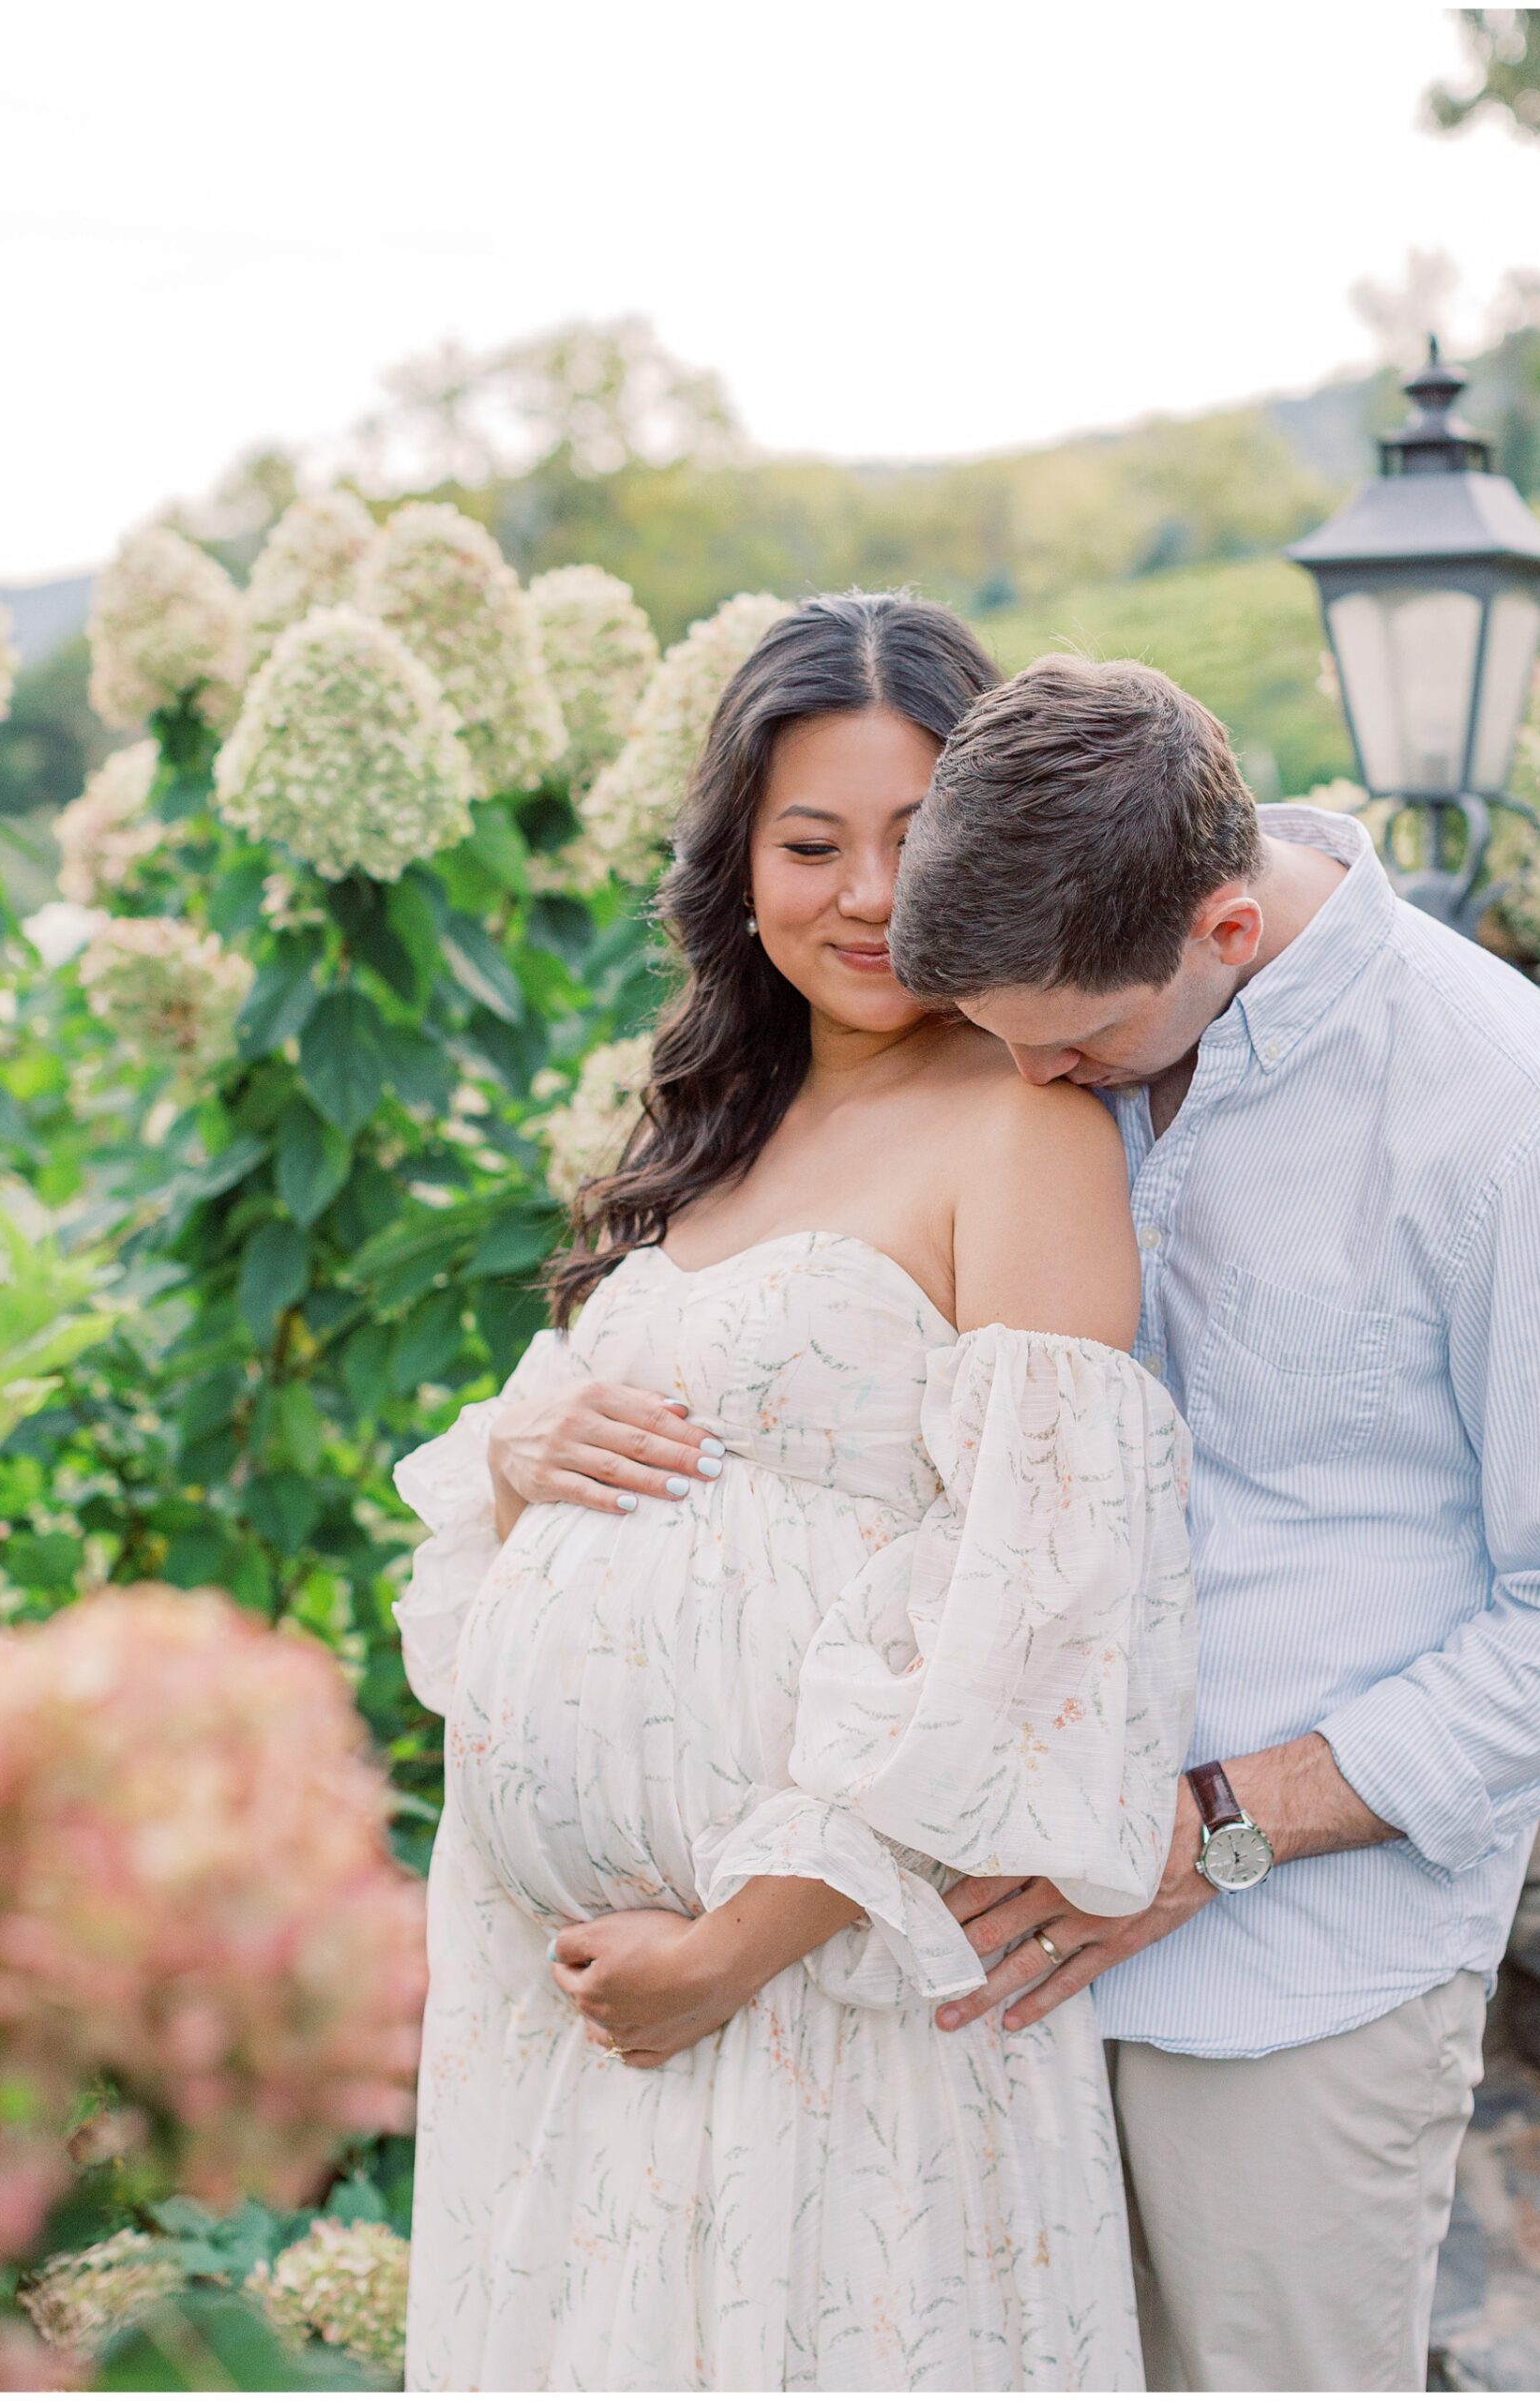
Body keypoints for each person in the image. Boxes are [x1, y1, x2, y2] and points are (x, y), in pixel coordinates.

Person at [569, 652, 1540, 2392]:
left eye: (1078, 1045)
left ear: (1227, 933)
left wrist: (1207, 1828)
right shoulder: (1065, 969)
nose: (1029, 1080)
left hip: (1283, 1980)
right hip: (968, 1971)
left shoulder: (1511, 1127)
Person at [392, 597, 1199, 2392]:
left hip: (822, 1989)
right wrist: (518, 1467)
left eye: (918, 840)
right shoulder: (710, 1134)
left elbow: (1037, 1606)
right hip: (571, 2013)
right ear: (736, 869)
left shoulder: (1023, 1128)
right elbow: (498, 1561)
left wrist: (740, 1945)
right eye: (809, 843)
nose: (863, 895)